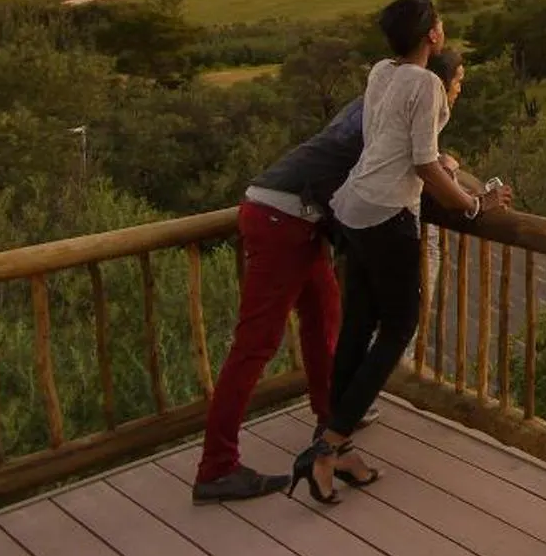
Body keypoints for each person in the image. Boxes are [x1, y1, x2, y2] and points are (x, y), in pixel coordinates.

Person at [188, 49, 464, 501]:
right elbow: (410, 170)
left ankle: (331, 423)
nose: (455, 92)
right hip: (283, 216)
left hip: (297, 216)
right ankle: (216, 467)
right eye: (455, 83)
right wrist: (458, 186)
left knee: (324, 323)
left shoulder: (377, 100)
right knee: (255, 345)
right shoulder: (402, 108)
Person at [294, 0, 508, 502]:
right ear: (432, 36)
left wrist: (445, 167)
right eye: (440, 24)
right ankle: (329, 446)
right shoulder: (428, 82)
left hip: (352, 207)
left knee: (359, 325)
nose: (443, 29)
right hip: (388, 214)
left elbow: (390, 141)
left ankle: (333, 442)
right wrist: (475, 206)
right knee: (399, 325)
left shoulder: (381, 73)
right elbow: (424, 166)